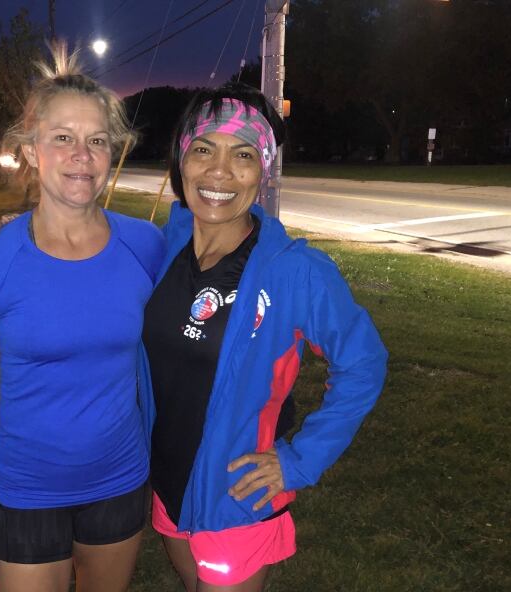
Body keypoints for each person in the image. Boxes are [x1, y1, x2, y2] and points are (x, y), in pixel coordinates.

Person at [137, 83, 388, 591]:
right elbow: (81, 245)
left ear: (264, 169)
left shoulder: (294, 271)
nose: (220, 171)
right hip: (166, 488)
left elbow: (363, 364)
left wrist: (300, 459)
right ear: (181, 157)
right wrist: (19, 230)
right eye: (204, 148)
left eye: (243, 154)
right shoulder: (160, 248)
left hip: (236, 498)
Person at [0, 44, 165, 592]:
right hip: (26, 488)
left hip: (120, 479)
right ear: (30, 150)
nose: (81, 155)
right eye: (62, 137)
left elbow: (200, 314)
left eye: (96, 140)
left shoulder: (146, 246)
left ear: (113, 150)